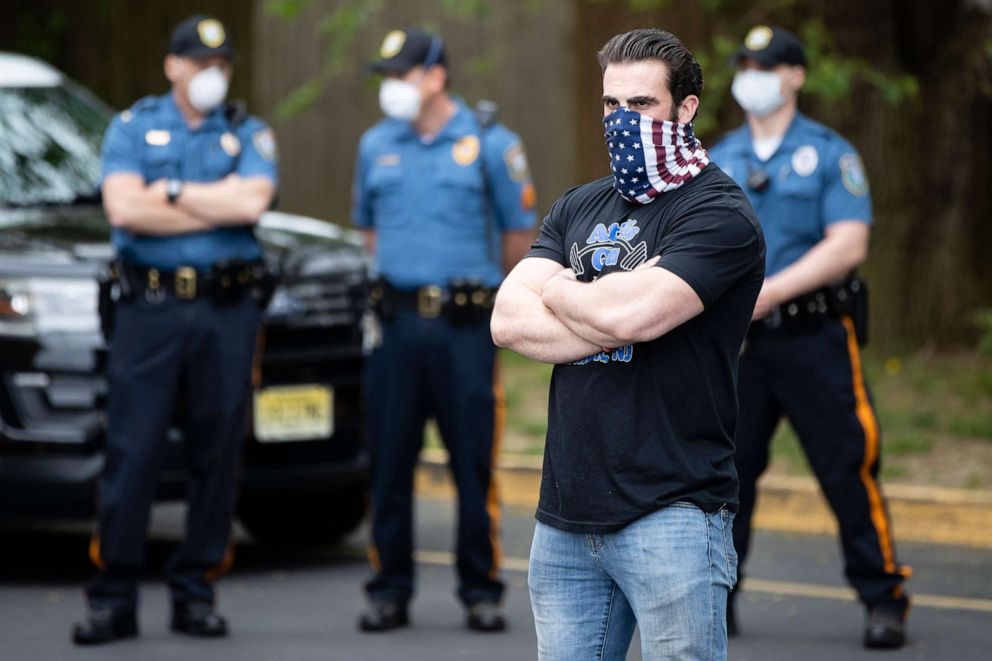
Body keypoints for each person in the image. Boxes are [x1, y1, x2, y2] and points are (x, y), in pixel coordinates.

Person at [491, 27, 765, 661]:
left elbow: (637, 318)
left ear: (685, 108)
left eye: (640, 104)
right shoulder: (578, 204)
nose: (621, 119)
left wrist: (560, 288)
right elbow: (507, 320)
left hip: (672, 509)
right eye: (612, 105)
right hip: (565, 513)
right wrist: (602, 306)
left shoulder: (718, 213)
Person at [72, 15, 278, 645]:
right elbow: (123, 209)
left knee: (216, 453)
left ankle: (196, 590)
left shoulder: (248, 131)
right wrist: (206, 199)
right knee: (131, 452)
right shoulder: (131, 126)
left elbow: (251, 205)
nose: (211, 74)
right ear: (172, 65)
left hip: (226, 312)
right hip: (150, 312)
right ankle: (114, 597)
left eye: (221, 64)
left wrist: (168, 191)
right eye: (198, 62)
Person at [707, 25, 911, 649]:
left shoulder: (829, 153)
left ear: (795, 75)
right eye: (744, 65)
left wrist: (770, 289)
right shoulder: (719, 157)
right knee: (723, 477)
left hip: (814, 337)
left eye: (765, 66)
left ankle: (884, 599)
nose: (752, 76)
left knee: (847, 467)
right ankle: (717, 601)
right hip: (739, 347)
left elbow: (848, 244)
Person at [352, 28, 537, 633]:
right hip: (397, 325)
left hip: (465, 328)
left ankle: (480, 589)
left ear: (435, 76)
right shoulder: (375, 144)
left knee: (472, 463)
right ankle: (389, 589)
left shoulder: (489, 143)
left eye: (401, 75)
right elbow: (370, 234)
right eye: (387, 75)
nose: (391, 87)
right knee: (389, 461)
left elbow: (517, 238)